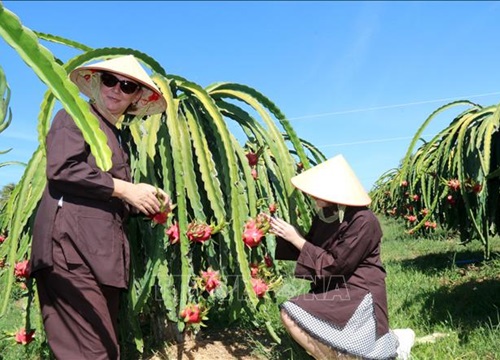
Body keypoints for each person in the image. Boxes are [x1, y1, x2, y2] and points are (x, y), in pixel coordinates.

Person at [30, 55, 170, 360]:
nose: (116, 89)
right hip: (68, 251)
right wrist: (124, 188)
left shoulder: (116, 138)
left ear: (135, 99)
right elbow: (63, 169)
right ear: (95, 82)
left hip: (99, 255)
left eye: (127, 85)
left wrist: (147, 200)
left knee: (102, 349)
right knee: (93, 352)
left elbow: (108, 195)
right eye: (109, 80)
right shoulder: (75, 116)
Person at [270, 155, 415, 360]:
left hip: (359, 291)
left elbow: (335, 264)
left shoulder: (364, 221)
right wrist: (284, 234)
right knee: (295, 315)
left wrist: (296, 238)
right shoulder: (326, 216)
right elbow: (311, 248)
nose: (312, 195)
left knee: (291, 312)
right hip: (337, 286)